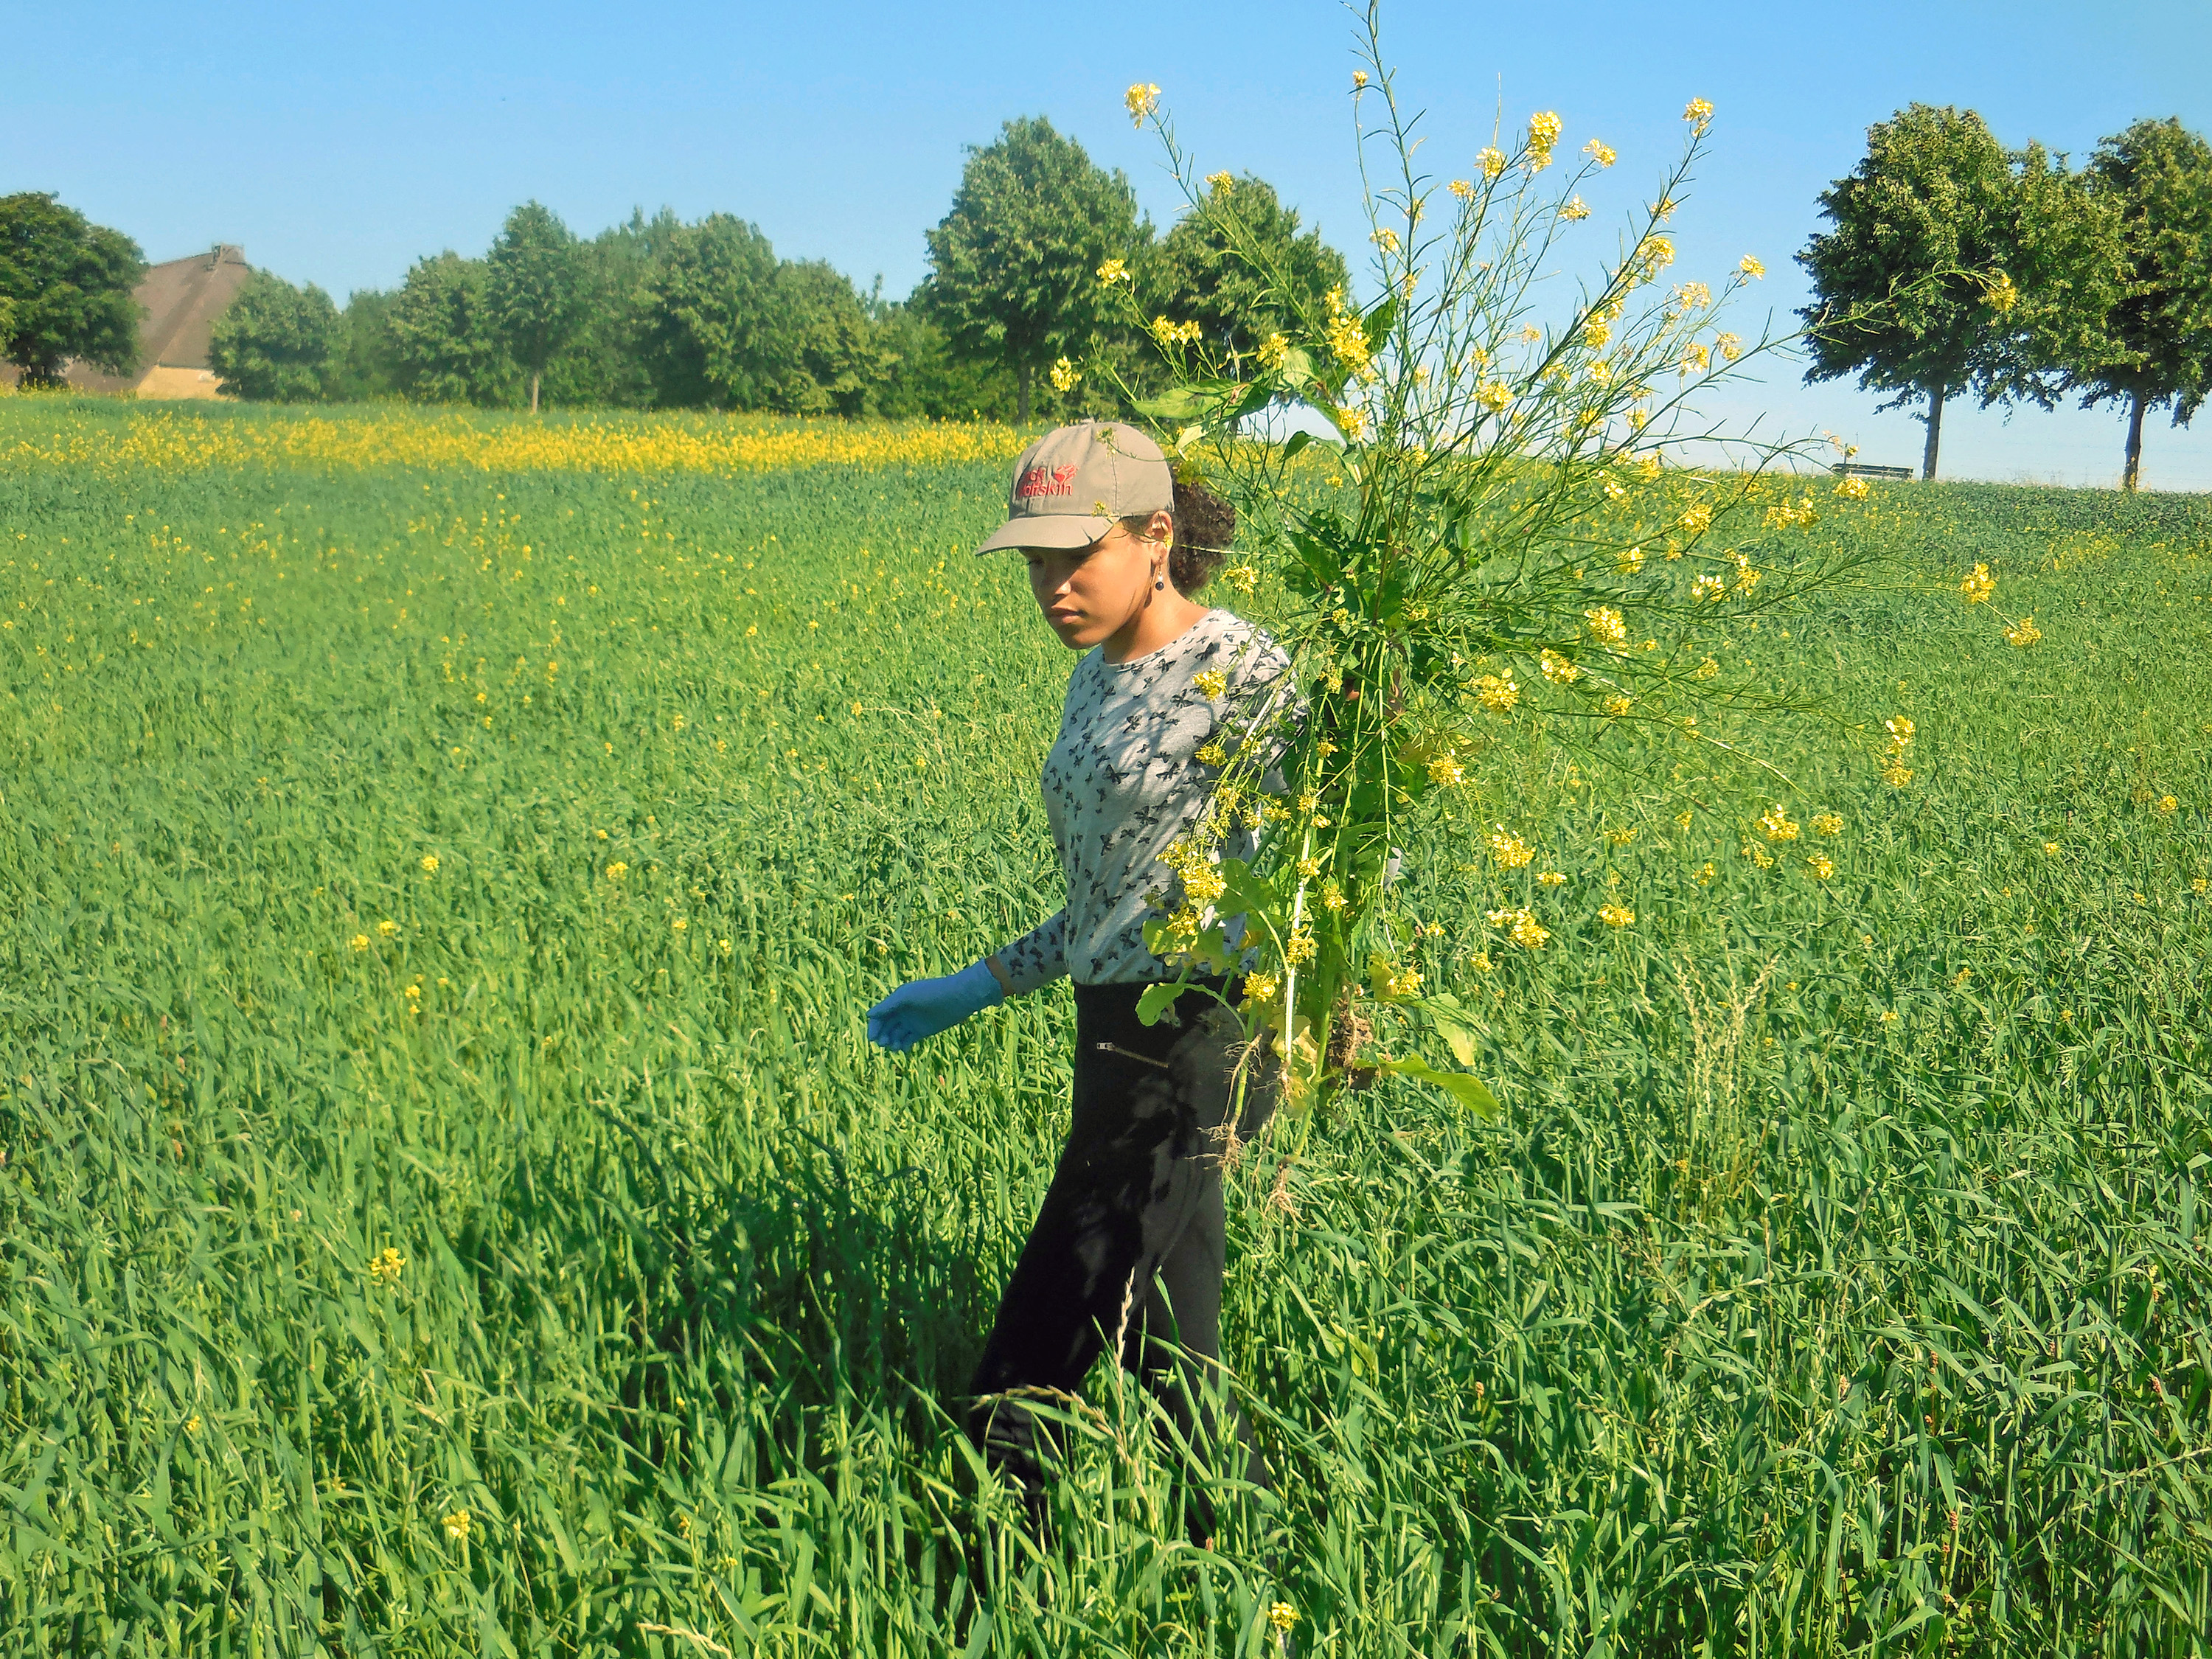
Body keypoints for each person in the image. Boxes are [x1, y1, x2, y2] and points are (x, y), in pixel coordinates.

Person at [866, 420, 1293, 1536]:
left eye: (1076, 555)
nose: (1052, 585)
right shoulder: (1097, 681)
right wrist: (983, 980)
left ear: (1158, 537)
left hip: (1201, 1034)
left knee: (1035, 1355)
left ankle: (985, 1577)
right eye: (1036, 562)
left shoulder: (1243, 670)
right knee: (1166, 1344)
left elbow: (1347, 851)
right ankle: (1245, 1559)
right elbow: (1116, 899)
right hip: (1112, 1032)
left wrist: (1306, 1001)